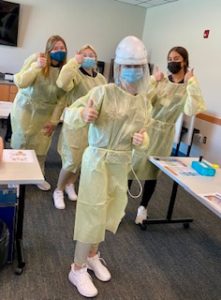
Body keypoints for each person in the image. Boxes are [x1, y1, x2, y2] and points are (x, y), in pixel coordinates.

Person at [64, 36, 153, 297]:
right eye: (129, 65)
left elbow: (145, 134)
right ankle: (77, 267)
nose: (134, 71)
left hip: (120, 164)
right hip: (97, 163)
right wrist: (83, 115)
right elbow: (70, 114)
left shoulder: (145, 102)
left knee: (108, 212)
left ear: (144, 69)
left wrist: (142, 140)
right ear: (119, 67)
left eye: (138, 66)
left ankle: (92, 255)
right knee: (92, 213)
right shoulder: (103, 92)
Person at [130, 46, 206, 225]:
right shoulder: (162, 80)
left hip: (165, 134)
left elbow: (191, 109)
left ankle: (143, 207)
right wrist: (153, 81)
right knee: (131, 167)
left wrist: (192, 83)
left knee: (152, 172)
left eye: (176, 58)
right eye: (169, 58)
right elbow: (143, 99)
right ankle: (119, 204)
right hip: (148, 128)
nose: (172, 61)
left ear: (184, 61)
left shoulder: (189, 85)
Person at [53, 45, 107, 209]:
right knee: (71, 161)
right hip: (75, 124)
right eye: (85, 55)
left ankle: (70, 184)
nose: (89, 57)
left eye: (92, 55)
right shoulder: (75, 74)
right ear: (79, 57)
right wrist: (73, 63)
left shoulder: (101, 79)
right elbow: (62, 83)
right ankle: (59, 189)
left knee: (83, 160)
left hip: (92, 126)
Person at [10, 35, 68, 190]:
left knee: (42, 145)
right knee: (21, 140)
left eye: (62, 48)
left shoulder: (65, 70)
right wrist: (36, 67)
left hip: (46, 113)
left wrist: (54, 121)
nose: (59, 51)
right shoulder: (36, 58)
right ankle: (15, 175)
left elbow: (62, 99)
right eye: (55, 48)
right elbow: (21, 82)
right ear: (48, 49)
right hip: (25, 108)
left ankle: (38, 174)